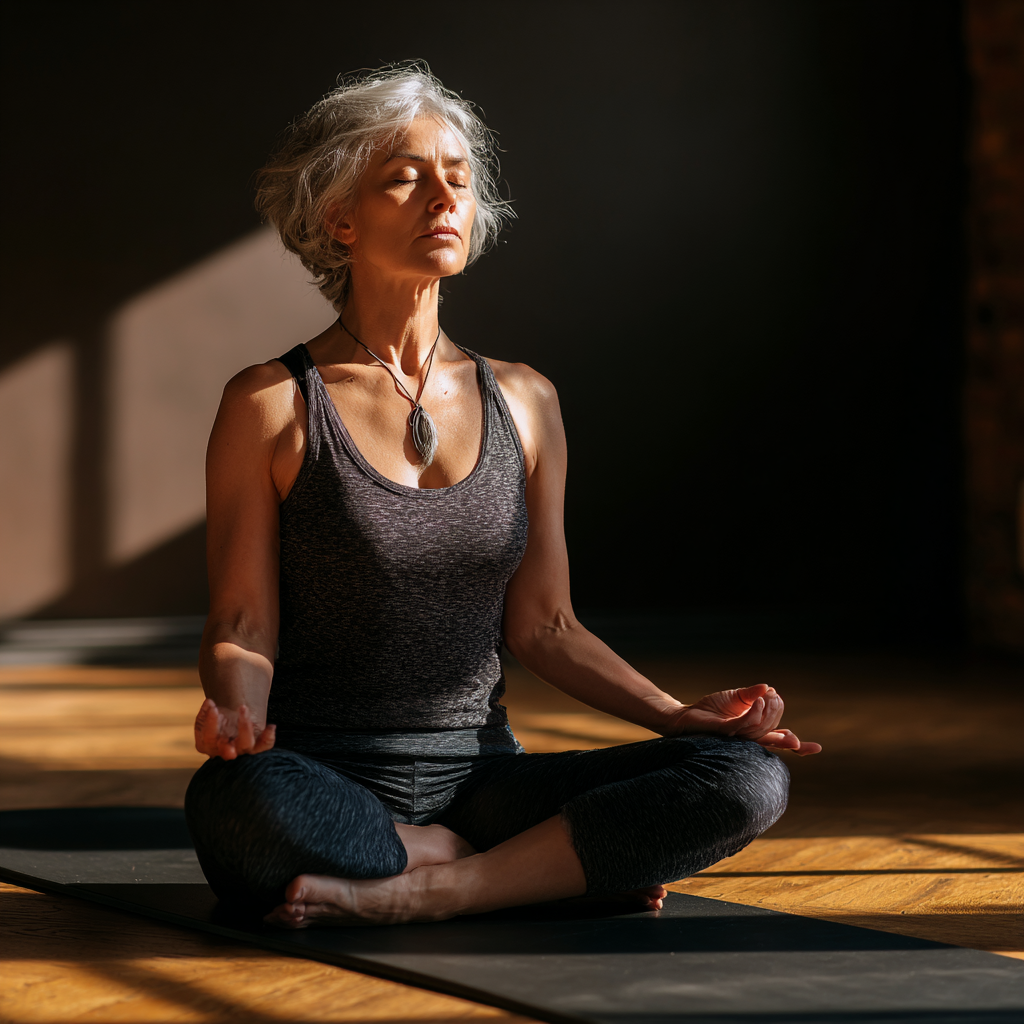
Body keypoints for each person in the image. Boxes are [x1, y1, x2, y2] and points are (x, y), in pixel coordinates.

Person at [184, 65, 820, 929]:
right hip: (327, 772)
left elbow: (546, 626)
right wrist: (237, 712)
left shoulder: (525, 400)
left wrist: (676, 716)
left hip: (484, 778)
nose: (442, 196)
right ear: (340, 219)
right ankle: (541, 870)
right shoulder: (271, 402)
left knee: (747, 778)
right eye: (405, 178)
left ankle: (439, 881)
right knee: (237, 805)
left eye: (458, 176)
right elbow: (243, 626)